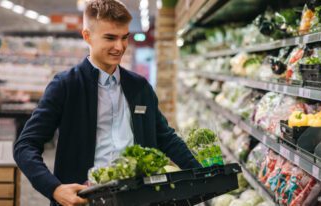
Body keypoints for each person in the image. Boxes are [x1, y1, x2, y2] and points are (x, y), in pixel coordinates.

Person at [13, 0, 201, 205]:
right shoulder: (66, 85)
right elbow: (26, 145)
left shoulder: (139, 87)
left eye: (124, 38)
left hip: (138, 198)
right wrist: (54, 189)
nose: (119, 47)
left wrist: (204, 174)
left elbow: (165, 138)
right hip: (85, 200)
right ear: (87, 36)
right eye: (110, 38)